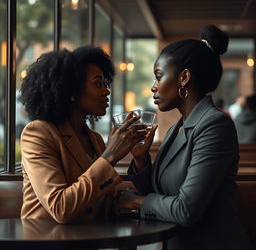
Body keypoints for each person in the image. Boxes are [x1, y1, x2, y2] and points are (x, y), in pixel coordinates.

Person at [115, 25, 253, 249]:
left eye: (159, 76)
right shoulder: (177, 128)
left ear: (184, 77)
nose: (153, 87)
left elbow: (185, 210)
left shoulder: (214, 125)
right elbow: (161, 196)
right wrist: (141, 160)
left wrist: (137, 201)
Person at [20, 46, 147, 224]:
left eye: (105, 83)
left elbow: (102, 191)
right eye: (98, 83)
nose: (106, 91)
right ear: (71, 91)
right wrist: (110, 155)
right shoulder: (38, 133)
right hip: (48, 240)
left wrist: (141, 161)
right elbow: (61, 208)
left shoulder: (93, 138)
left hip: (91, 240)